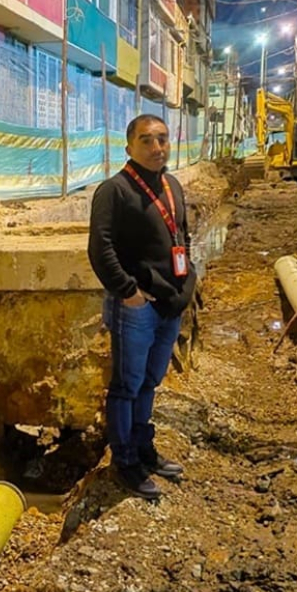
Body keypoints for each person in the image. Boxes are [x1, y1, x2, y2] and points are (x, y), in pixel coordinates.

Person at [87, 114, 197, 500]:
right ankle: (125, 460)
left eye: (163, 139)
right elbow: (100, 250)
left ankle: (143, 447)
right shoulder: (114, 191)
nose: (157, 148)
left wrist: (187, 285)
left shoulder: (172, 185)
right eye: (147, 140)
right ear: (129, 146)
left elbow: (181, 236)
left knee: (150, 381)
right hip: (136, 307)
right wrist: (128, 292)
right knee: (127, 385)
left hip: (169, 303)